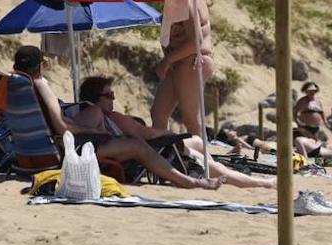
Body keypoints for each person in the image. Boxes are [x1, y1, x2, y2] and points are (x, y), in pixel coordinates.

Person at [12, 48, 224, 190]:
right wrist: (95, 132)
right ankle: (188, 181)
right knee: (137, 145)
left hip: (32, 154)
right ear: (39, 66)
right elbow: (61, 126)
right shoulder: (40, 84)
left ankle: (187, 179)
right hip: (71, 149)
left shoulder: (15, 85)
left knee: (129, 140)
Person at [69, 75, 275, 189]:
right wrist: (169, 135)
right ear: (97, 98)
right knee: (210, 163)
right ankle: (262, 183)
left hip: (147, 149)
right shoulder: (108, 116)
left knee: (197, 141)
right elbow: (147, 135)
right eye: (109, 95)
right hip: (157, 150)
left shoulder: (101, 115)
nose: (113, 99)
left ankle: (212, 164)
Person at [149, 0, 213, 137]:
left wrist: (167, 61)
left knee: (190, 118)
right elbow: (167, 37)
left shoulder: (188, 1)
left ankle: (203, 157)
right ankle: (161, 152)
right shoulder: (175, 0)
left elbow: (195, 42)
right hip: (177, 62)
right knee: (158, 113)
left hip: (192, 61)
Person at [291, 81, 332, 161]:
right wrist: (298, 123)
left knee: (320, 144)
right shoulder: (302, 101)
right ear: (306, 91)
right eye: (310, 91)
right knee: (305, 143)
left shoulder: (318, 101)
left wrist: (325, 123)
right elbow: (294, 113)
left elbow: (322, 112)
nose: (312, 92)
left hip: (317, 128)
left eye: (314, 91)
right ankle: (305, 158)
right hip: (306, 127)